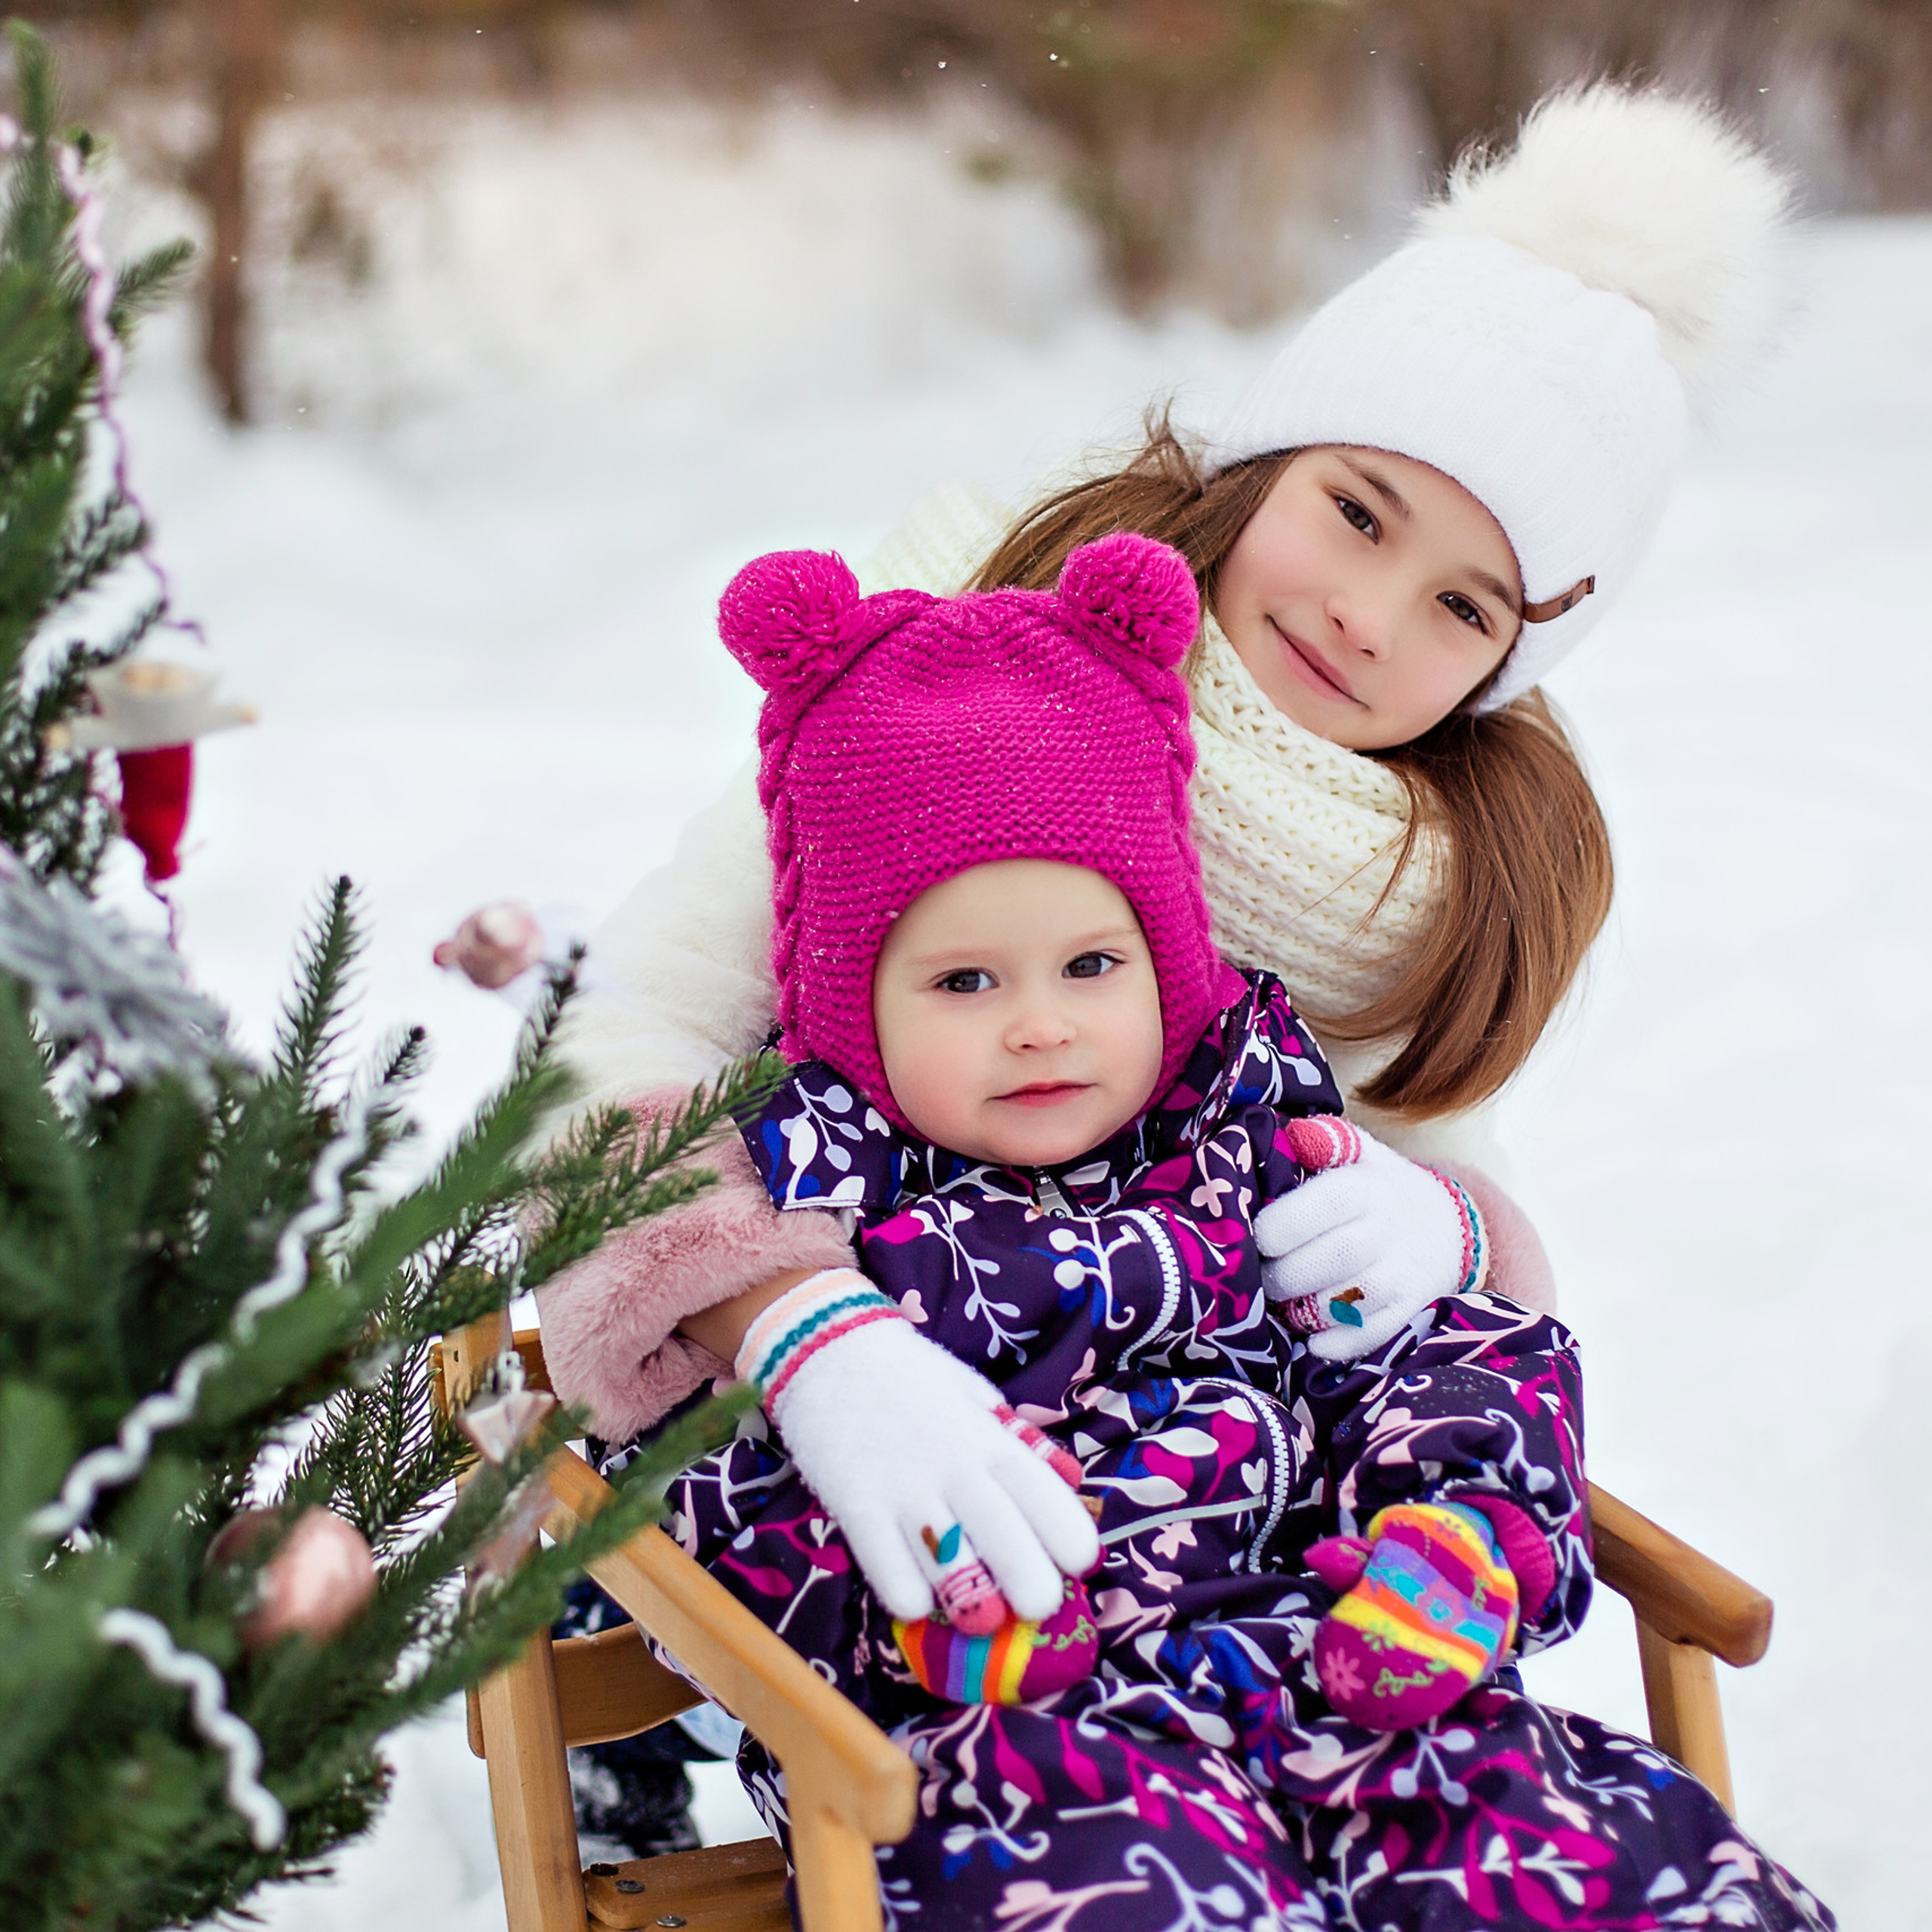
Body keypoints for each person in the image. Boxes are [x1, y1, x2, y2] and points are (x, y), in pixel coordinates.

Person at [527, 81, 1795, 1611]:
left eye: (1465, 605)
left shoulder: (1420, 885)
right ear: (1264, 460)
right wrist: (795, 1326)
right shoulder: (942, 676)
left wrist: (1440, 1222)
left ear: (1506, 667)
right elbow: (631, 1039)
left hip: (1178, 1509)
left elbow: (1440, 1175)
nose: (1364, 613)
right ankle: (639, 1714)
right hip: (835, 1404)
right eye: (1356, 509)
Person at [615, 529, 1827, 1929]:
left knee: (1597, 1870)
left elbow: (1444, 1353)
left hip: (1348, 1664)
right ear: (848, 992)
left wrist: (1461, 1525)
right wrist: (916, 1599)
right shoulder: (808, 1200)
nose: (1041, 1021)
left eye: (1092, 962)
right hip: (1004, 1741)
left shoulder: (1248, 1141)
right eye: (961, 978)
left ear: (1163, 958)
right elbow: (697, 1480)